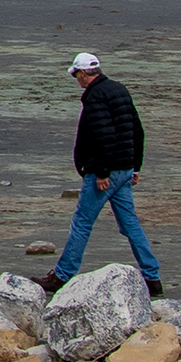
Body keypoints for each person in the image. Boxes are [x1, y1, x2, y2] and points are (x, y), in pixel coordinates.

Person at [43, 49, 161, 293]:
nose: (77, 80)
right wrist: (135, 166)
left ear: (85, 73)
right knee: (130, 225)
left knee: (82, 222)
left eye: (77, 75)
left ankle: (62, 276)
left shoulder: (95, 96)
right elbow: (137, 131)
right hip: (125, 168)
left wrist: (102, 172)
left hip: (106, 172)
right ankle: (152, 277)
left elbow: (103, 136)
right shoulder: (119, 89)